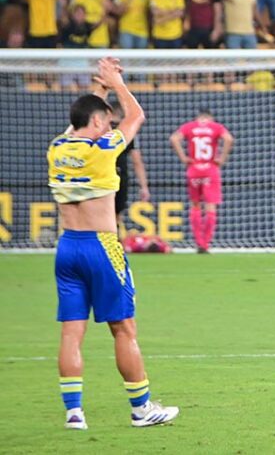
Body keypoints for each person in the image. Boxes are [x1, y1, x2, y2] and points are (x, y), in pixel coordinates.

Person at [48, 57, 178, 430]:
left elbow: (83, 117)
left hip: (67, 247)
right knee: (124, 329)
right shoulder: (103, 150)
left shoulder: (57, 147)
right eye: (104, 120)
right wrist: (116, 82)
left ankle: (74, 413)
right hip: (102, 247)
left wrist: (99, 90)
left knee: (72, 331)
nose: (109, 123)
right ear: (95, 124)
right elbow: (136, 115)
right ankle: (142, 409)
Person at [170, 109, 234, 253]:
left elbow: (174, 138)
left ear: (198, 117)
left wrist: (183, 158)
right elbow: (229, 139)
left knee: (195, 206)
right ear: (209, 117)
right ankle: (206, 244)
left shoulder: (190, 126)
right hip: (210, 170)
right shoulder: (215, 127)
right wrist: (222, 158)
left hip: (194, 170)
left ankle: (198, 242)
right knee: (210, 207)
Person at [112, 102, 150, 229]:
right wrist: (143, 186)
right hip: (119, 175)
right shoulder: (126, 132)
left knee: (100, 212)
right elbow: (137, 161)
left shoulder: (99, 130)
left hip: (100, 175)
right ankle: (114, 242)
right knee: (117, 213)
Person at [60, 5, 95, 90]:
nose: (80, 15)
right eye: (78, 13)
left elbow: (98, 24)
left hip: (82, 63)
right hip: (67, 63)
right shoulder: (67, 26)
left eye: (82, 13)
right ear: (73, 14)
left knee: (84, 91)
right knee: (65, 91)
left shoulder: (87, 26)